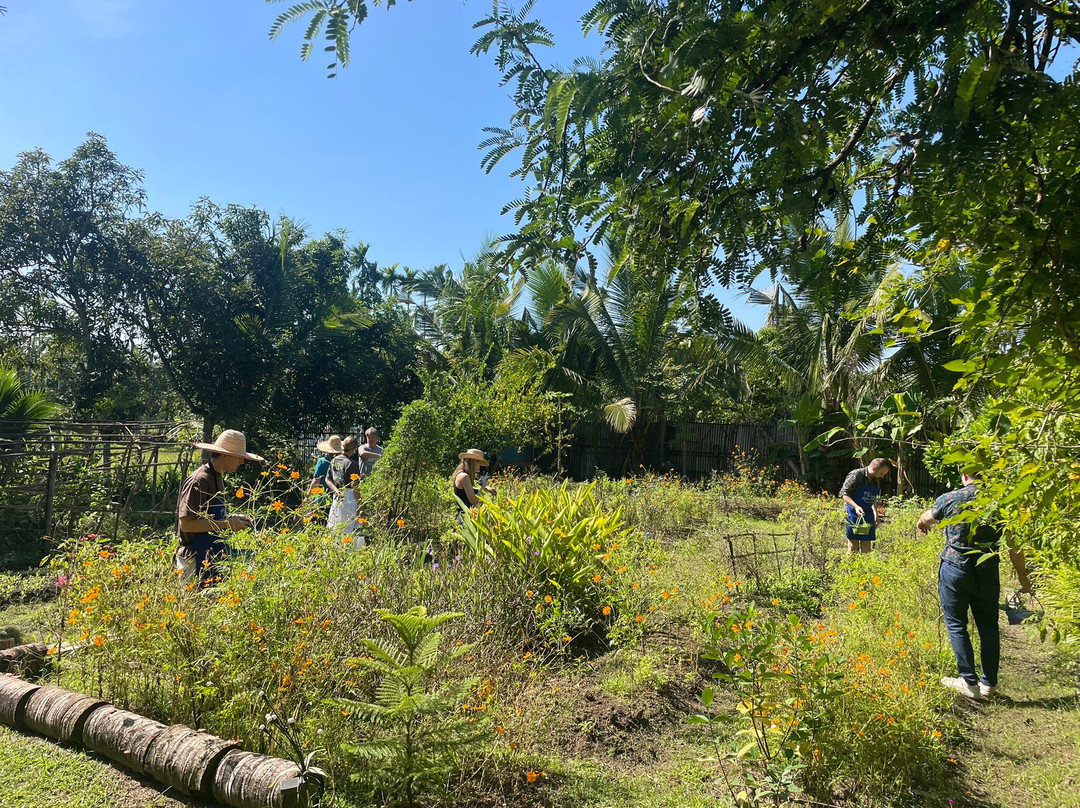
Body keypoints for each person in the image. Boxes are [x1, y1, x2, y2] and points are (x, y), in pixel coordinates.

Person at [917, 468, 1032, 699]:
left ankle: (969, 682)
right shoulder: (1000, 503)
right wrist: (1023, 578)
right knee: (988, 626)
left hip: (955, 569)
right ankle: (988, 684)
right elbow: (1015, 546)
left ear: (964, 476)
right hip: (987, 571)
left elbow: (927, 517)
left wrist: (922, 523)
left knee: (957, 623)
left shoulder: (951, 498)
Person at [176, 429, 263, 586]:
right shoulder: (198, 481)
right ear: (225, 455)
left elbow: (208, 517)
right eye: (239, 457)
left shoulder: (217, 476)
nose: (242, 462)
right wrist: (228, 524)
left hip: (213, 555)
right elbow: (186, 524)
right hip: (194, 559)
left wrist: (233, 519)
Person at [840, 457, 893, 553]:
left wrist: (875, 514)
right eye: (881, 473)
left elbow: (872, 498)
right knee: (853, 547)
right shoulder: (856, 475)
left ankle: (865, 567)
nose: (882, 476)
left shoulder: (875, 479)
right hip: (852, 513)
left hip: (868, 514)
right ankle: (850, 568)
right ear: (874, 469)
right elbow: (844, 495)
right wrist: (856, 506)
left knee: (867, 546)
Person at [326, 435, 362, 536]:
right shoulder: (352, 464)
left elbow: (327, 479)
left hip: (337, 496)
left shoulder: (334, 460)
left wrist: (336, 490)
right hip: (349, 497)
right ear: (354, 449)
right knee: (348, 527)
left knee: (335, 524)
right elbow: (355, 487)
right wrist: (360, 505)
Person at [309, 435, 341, 509]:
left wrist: (308, 496)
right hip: (337, 499)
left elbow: (316, 481)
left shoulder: (322, 461)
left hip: (322, 498)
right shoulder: (343, 462)